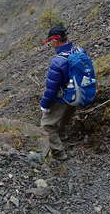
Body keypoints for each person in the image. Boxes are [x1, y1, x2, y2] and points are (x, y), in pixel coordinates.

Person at [40, 25, 78, 160]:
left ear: (55, 41)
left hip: (64, 96)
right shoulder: (79, 51)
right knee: (64, 118)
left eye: (50, 41)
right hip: (77, 95)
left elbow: (52, 88)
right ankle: (62, 137)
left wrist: (44, 105)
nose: (50, 44)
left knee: (46, 126)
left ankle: (59, 152)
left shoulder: (58, 61)